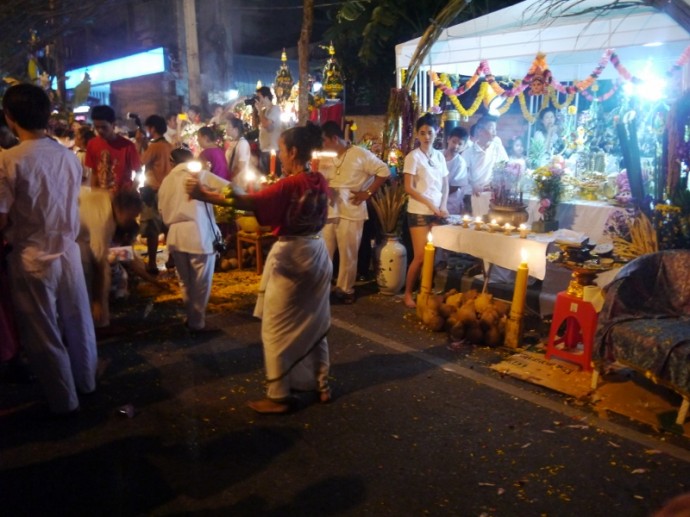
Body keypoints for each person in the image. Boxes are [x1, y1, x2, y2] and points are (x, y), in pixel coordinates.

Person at [187, 123, 331, 414]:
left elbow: (249, 202)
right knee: (314, 321)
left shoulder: (290, 184)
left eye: (281, 149)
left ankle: (278, 394)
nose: (279, 153)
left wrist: (206, 195)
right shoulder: (319, 179)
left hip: (292, 255)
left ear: (292, 152)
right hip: (317, 251)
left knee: (275, 327)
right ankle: (321, 383)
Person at [0, 83, 97, 415]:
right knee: (78, 321)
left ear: (9, 117)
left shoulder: (9, 161)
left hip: (31, 256)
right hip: (67, 251)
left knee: (43, 332)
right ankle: (86, 383)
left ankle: (63, 401)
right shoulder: (67, 156)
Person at [158, 147, 229, 333]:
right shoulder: (200, 175)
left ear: (172, 163)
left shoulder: (166, 181)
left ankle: (192, 318)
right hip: (199, 234)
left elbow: (161, 211)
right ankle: (197, 322)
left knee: (185, 281)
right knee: (201, 282)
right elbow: (228, 188)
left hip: (176, 235)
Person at [320, 120, 390, 304]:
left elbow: (384, 171)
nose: (323, 145)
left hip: (351, 209)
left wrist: (367, 192)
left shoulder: (359, 153)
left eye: (324, 141)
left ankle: (345, 289)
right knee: (324, 251)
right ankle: (322, 287)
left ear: (335, 138)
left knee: (348, 252)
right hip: (330, 209)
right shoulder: (326, 157)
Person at [402, 113, 449, 309]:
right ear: (417, 135)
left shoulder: (439, 156)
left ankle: (425, 291)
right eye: (422, 133)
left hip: (438, 210)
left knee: (433, 255)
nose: (426, 137)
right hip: (419, 210)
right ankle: (407, 293)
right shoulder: (413, 157)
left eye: (430, 132)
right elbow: (409, 188)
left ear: (436, 132)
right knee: (420, 255)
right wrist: (431, 204)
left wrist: (443, 205)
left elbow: (446, 184)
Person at [78, 189, 143, 328]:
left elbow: (130, 258)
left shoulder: (107, 202)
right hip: (70, 245)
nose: (132, 220)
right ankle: (97, 323)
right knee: (95, 276)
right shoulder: (104, 218)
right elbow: (99, 264)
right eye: (132, 216)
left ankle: (98, 321)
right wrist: (97, 302)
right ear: (123, 209)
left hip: (75, 242)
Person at [137, 114, 173, 274]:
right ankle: (172, 258)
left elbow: (139, 162)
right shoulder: (169, 145)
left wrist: (139, 144)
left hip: (153, 191)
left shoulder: (155, 147)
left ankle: (152, 263)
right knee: (168, 227)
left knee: (152, 229)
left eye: (148, 128)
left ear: (152, 128)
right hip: (168, 191)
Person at [86, 104, 141, 193]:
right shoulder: (92, 144)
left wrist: (132, 192)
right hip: (101, 199)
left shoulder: (128, 146)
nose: (100, 131)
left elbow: (138, 172)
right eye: (97, 127)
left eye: (104, 127)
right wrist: (94, 194)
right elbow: (94, 173)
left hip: (122, 199)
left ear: (113, 124)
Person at [463, 114, 508, 216]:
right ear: (480, 131)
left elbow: (504, 166)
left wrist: (495, 183)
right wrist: (474, 185)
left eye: (495, 129)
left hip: (492, 194)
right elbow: (464, 173)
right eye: (491, 129)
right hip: (472, 194)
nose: (494, 133)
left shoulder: (497, 148)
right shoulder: (469, 152)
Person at [254, 86, 282, 176]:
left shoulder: (275, 109)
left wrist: (260, 111)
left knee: (272, 177)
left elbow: (266, 124)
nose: (258, 100)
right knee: (265, 178)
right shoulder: (265, 111)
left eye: (259, 97)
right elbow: (255, 125)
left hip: (273, 150)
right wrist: (256, 110)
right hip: (264, 150)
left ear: (266, 97)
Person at [444, 126, 470, 215]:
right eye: (454, 142)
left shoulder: (461, 163)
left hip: (450, 204)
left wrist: (439, 195)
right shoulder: (437, 155)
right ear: (448, 139)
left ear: (464, 146)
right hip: (432, 200)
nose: (456, 146)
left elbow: (455, 187)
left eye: (460, 144)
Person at [225, 117, 251, 183]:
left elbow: (241, 166)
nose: (226, 129)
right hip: (232, 180)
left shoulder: (243, 143)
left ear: (236, 129)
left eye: (229, 127)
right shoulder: (233, 142)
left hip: (238, 181)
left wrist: (230, 177)